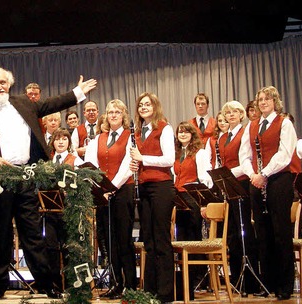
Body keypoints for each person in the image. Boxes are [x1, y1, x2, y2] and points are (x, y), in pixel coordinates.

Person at [0, 66, 96, 299]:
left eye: (2, 82)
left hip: (26, 177)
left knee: (33, 233)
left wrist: (77, 93)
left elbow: (52, 104)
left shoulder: (24, 103)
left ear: (9, 84)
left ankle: (46, 283)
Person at [238, 86, 297, 300]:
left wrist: (264, 172)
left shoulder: (284, 122)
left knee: (281, 233)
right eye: (260, 99)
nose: (263, 102)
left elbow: (285, 153)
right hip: (256, 181)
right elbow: (244, 154)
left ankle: (285, 285)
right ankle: (268, 283)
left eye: (267, 99)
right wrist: (252, 174)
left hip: (278, 180)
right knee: (262, 234)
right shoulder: (252, 126)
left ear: (275, 102)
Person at [85, 99, 135, 299]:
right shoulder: (99, 138)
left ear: (123, 115)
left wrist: (112, 187)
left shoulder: (130, 136)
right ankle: (116, 283)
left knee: (124, 239)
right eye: (110, 112)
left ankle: (130, 285)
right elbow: (91, 162)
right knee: (110, 240)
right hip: (103, 193)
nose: (113, 115)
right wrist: (101, 187)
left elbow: (127, 164)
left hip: (123, 191)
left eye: (117, 112)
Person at [128, 92, 175, 303]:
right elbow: (139, 160)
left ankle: (165, 292)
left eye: (147, 104)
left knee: (161, 238)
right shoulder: (137, 133)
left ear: (155, 107)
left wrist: (142, 158)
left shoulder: (164, 128)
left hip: (161, 187)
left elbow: (169, 160)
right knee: (148, 239)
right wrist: (134, 164)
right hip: (144, 188)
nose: (143, 107)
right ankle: (150, 291)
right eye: (140, 105)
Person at [215, 101, 261, 295]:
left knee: (244, 231)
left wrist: (226, 174)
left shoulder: (245, 133)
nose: (231, 115)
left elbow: (246, 162)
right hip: (228, 186)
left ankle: (250, 280)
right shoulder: (222, 137)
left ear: (242, 115)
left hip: (241, 183)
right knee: (232, 232)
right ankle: (236, 279)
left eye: (235, 112)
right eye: (228, 112)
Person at [171, 121, 213, 295]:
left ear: (192, 134)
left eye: (185, 132)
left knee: (193, 237)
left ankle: (200, 278)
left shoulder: (200, 153)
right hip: (178, 198)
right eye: (180, 132)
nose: (182, 134)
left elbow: (206, 178)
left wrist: (203, 202)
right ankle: (185, 279)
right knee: (181, 238)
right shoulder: (176, 153)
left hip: (192, 197)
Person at [44, 128, 84, 290]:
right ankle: (54, 284)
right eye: (57, 139)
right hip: (50, 211)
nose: (61, 142)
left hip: (69, 211)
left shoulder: (76, 161)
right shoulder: (48, 162)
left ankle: (69, 285)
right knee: (51, 247)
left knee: (68, 247)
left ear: (69, 142)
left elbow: (83, 183)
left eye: (64, 139)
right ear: (52, 142)